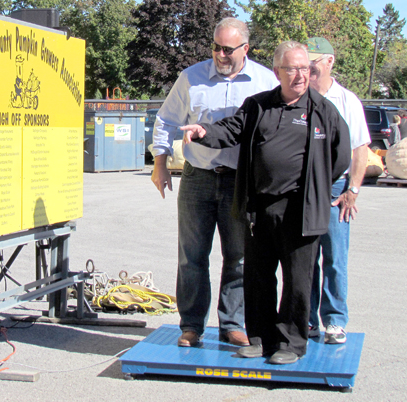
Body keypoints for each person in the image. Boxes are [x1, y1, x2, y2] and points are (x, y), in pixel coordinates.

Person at [181, 41, 351, 364]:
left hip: (301, 211)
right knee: (258, 276)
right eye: (292, 69)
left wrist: (316, 183)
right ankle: (260, 337)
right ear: (277, 73)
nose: (301, 75)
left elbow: (340, 154)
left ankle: (291, 343)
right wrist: (204, 132)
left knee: (297, 281)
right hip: (260, 209)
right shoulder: (258, 106)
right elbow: (232, 130)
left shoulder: (323, 111)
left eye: (305, 68)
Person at [150, 18, 279, 348]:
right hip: (198, 178)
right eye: (216, 47)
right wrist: (160, 163)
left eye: (228, 49)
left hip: (240, 182)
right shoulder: (191, 78)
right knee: (191, 256)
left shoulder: (265, 81)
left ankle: (232, 323)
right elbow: (166, 119)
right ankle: (191, 325)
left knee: (238, 257)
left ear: (245, 49)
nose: (221, 54)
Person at [306, 37, 371, 344]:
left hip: (335, 185)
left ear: (329, 62)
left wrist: (352, 190)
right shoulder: (297, 97)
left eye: (313, 64)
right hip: (302, 186)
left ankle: (334, 321)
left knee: (334, 257)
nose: (307, 70)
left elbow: (361, 149)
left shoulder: (347, 101)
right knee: (305, 257)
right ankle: (305, 320)